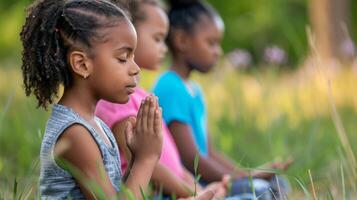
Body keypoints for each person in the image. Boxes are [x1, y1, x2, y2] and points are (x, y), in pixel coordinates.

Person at [20, 0, 163, 199]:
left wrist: (136, 160)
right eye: (123, 58)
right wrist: (147, 159)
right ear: (82, 64)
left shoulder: (97, 126)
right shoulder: (74, 133)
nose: (135, 69)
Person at [152, 0, 291, 199]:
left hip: (208, 180)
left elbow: (209, 151)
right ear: (182, 40)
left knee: (277, 183)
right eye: (211, 43)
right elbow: (192, 159)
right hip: (191, 186)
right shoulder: (169, 86)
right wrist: (246, 178)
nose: (218, 51)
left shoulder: (194, 90)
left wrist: (247, 173)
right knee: (262, 190)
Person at [96, 0, 230, 199]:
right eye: (157, 38)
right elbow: (148, 166)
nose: (165, 48)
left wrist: (201, 191)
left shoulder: (141, 96)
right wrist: (198, 192)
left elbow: (174, 164)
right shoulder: (116, 101)